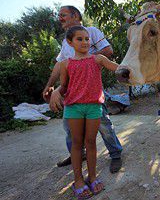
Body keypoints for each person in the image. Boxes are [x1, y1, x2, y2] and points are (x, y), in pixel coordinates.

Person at [42, 6, 122, 173]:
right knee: (70, 129)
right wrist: (50, 85)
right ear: (71, 41)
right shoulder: (66, 41)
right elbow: (60, 64)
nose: (60, 18)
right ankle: (77, 154)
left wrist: (87, 61)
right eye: (80, 40)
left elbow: (108, 51)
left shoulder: (91, 31)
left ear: (75, 15)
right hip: (73, 96)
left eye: (63, 15)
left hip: (92, 93)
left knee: (104, 126)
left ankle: (115, 154)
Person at [58, 25, 119, 198]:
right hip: (73, 108)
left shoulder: (98, 59)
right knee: (77, 143)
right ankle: (78, 179)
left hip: (94, 107)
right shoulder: (65, 64)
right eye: (79, 39)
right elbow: (63, 87)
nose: (85, 42)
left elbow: (118, 67)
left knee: (91, 142)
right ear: (70, 42)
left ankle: (92, 176)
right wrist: (55, 92)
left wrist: (135, 65)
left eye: (87, 39)